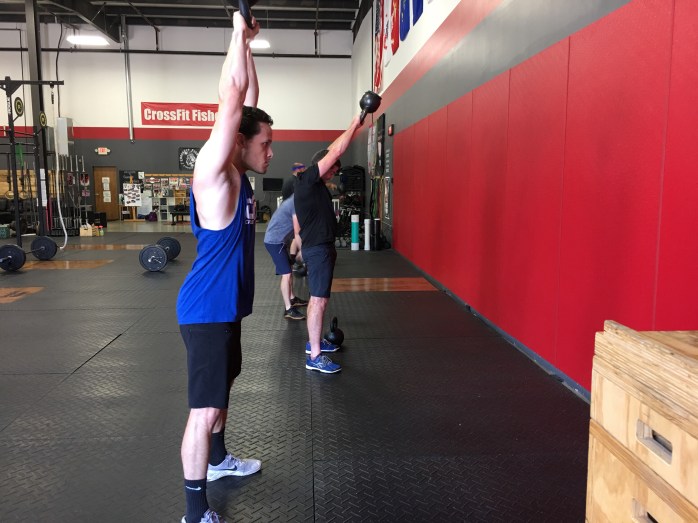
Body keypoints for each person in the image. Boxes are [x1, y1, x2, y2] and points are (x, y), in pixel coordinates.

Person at [176, 12, 272, 523]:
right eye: (265, 143)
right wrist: (236, 32)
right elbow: (233, 99)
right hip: (206, 311)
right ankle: (195, 512)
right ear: (238, 139)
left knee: (222, 392)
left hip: (224, 309)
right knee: (204, 409)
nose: (270, 152)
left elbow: (247, 96)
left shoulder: (238, 172)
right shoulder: (215, 175)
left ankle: (218, 461)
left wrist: (248, 45)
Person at [294, 114, 363, 373]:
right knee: (318, 300)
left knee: (319, 299)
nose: (335, 172)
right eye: (333, 168)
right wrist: (355, 124)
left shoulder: (314, 182)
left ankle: (314, 344)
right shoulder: (308, 179)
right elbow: (335, 151)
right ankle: (314, 356)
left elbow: (330, 150)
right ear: (322, 165)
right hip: (318, 249)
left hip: (322, 248)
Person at [263, 163, 308, 320]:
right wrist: (302, 251)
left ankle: (292, 298)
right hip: (274, 242)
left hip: (281, 239)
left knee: (288, 270)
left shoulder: (298, 200)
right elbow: (297, 232)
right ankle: (288, 309)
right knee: (287, 274)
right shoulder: (294, 203)